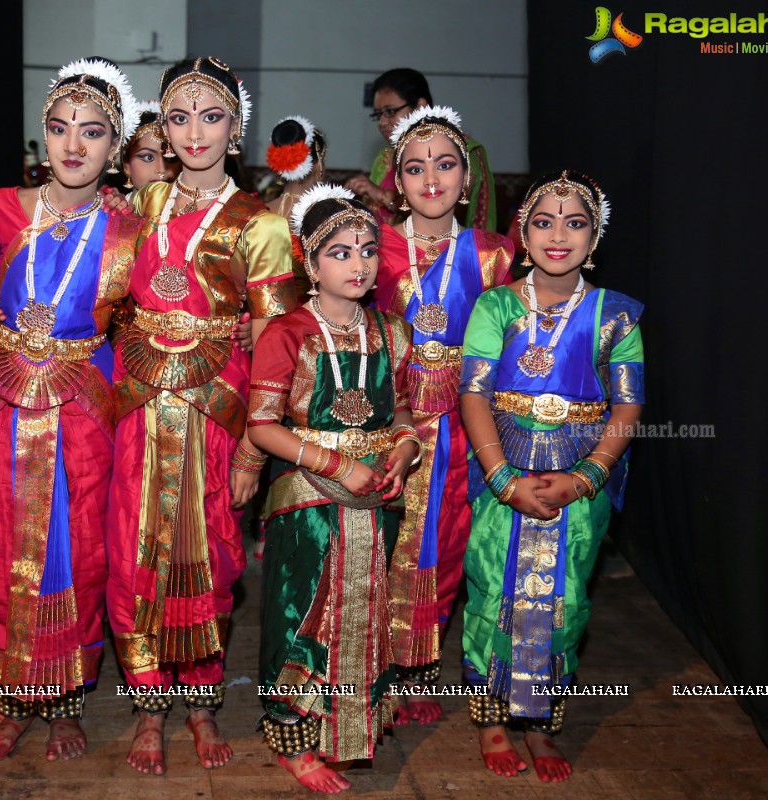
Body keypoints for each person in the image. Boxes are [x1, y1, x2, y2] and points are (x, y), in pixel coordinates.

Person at [105, 55, 296, 776]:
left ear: (237, 129)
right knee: (134, 556)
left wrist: (253, 449)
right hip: (138, 409)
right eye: (178, 117)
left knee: (212, 558)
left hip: (218, 416)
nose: (193, 132)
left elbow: (281, 349)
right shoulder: (135, 208)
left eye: (210, 116)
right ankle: (149, 707)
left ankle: (203, 704)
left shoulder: (263, 223)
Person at [0, 58, 144, 763]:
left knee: (79, 549)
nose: (74, 145)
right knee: (2, 545)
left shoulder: (129, 230)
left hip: (85, 404)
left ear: (116, 147)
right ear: (42, 136)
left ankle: (66, 697)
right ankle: (14, 696)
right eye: (60, 129)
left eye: (94, 132)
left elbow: (137, 325)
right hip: (4, 396)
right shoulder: (2, 208)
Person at [458, 170, 643, 782]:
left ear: (596, 238)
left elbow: (627, 407)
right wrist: (502, 478)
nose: (557, 235)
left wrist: (587, 477)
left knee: (563, 601)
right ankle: (489, 720)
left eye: (574, 222)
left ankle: (539, 723)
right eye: (543, 222)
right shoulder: (497, 304)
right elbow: (475, 395)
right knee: (492, 593)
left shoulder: (615, 315)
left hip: (577, 482)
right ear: (523, 232)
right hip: (501, 474)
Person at [249, 185, 420, 793]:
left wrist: (404, 448)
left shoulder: (393, 332)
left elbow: (400, 411)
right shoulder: (287, 333)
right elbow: (263, 426)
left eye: (368, 250)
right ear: (310, 263)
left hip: (376, 496)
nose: (359, 264)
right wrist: (335, 465)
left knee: (368, 611)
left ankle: (349, 726)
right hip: (309, 497)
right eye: (341, 253)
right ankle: (292, 734)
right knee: (303, 613)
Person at [371, 105, 514, 725]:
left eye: (446, 165)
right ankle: (373, 663)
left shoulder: (497, 254)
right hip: (385, 417)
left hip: (464, 423)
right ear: (395, 180)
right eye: (415, 167)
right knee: (379, 544)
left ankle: (419, 667)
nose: (432, 180)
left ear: (467, 176)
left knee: (444, 543)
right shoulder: (370, 244)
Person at [345, 68, 496, 231]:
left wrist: (381, 195)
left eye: (390, 111)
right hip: (385, 251)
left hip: (452, 252)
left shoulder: (464, 151)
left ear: (420, 106)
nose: (382, 122)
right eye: (378, 114)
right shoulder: (385, 157)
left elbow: (452, 210)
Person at [266, 115, 326, 300]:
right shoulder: (329, 215)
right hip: (315, 319)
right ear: (318, 164)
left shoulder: (261, 211)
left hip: (264, 316)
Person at [120, 101, 179, 198]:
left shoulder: (196, 211)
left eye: (171, 158)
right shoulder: (109, 211)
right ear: (126, 165)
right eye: (148, 157)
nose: (161, 169)